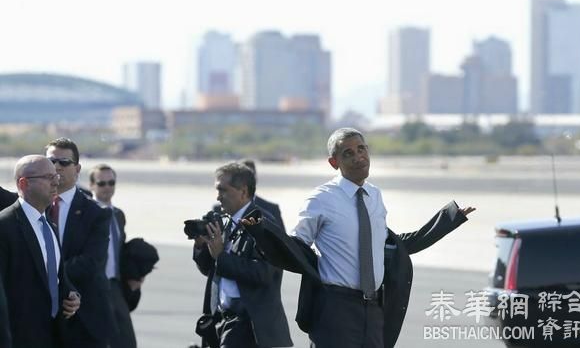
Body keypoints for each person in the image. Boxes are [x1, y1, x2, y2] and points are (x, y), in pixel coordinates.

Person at [241, 127, 476, 348]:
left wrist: (447, 221)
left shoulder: (374, 195)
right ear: (335, 162)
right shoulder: (321, 199)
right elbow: (296, 247)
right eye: (348, 153)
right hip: (335, 309)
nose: (358, 157)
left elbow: (392, 245)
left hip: (374, 309)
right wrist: (264, 234)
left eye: (361, 149)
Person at [193, 162, 292, 348]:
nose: (218, 196)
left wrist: (221, 256)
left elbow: (264, 273)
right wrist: (202, 248)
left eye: (223, 190)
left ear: (243, 191)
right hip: (222, 322)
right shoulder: (226, 223)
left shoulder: (262, 226)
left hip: (249, 328)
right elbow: (211, 269)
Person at [0, 155, 81, 348]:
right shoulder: (5, 227)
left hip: (54, 336)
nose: (56, 182)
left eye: (56, 177)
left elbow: (53, 276)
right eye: (48, 177)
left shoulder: (48, 225)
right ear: (23, 183)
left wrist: (71, 294)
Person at [45, 138, 115, 348]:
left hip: (84, 319)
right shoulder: (33, 207)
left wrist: (48, 277)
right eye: (51, 161)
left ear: (77, 168)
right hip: (41, 319)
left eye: (64, 162)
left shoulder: (97, 213)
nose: (57, 166)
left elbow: (91, 262)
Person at [89, 163, 140, 348]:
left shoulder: (118, 214)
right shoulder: (87, 212)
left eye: (111, 183)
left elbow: (120, 249)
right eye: (102, 183)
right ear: (92, 185)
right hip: (92, 286)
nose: (107, 188)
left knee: (125, 339)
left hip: (114, 285)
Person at [239, 159, 285, 230]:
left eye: (250, 175)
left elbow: (283, 240)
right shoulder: (221, 210)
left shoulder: (272, 209)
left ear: (256, 178)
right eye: (242, 176)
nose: (247, 180)